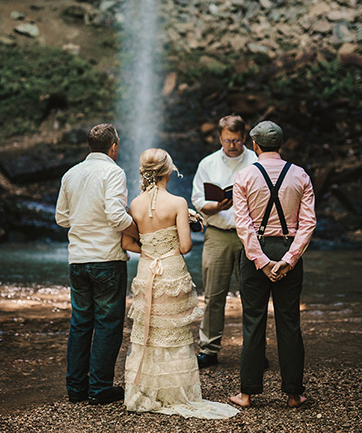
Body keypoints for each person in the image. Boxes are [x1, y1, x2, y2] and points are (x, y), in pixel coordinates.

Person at [121, 148, 238, 419]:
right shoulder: (177, 203)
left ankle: (147, 390)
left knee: (148, 332)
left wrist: (151, 249)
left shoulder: (135, 205)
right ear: (168, 172)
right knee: (172, 332)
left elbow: (128, 242)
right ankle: (175, 391)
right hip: (171, 271)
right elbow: (185, 245)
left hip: (148, 269)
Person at [228, 121, 316, 409]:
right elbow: (308, 224)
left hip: (257, 254)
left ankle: (247, 393)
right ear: (280, 145)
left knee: (253, 322)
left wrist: (262, 261)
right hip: (289, 249)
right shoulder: (300, 175)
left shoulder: (244, 176)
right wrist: (290, 259)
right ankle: (293, 394)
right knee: (289, 323)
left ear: (254, 145)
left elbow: (244, 226)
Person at [55, 123, 139, 405]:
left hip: (77, 260)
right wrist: (139, 232)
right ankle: (100, 388)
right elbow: (116, 217)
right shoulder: (113, 172)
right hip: (106, 259)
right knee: (107, 324)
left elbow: (61, 219)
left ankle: (76, 388)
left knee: (80, 324)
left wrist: (85, 221)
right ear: (113, 146)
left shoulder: (71, 174)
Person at [191, 115, 258, 368]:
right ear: (220, 138)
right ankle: (209, 349)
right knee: (214, 294)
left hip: (248, 233)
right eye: (227, 140)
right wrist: (216, 206)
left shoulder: (255, 161)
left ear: (244, 137)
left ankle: (254, 349)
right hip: (217, 233)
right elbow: (197, 200)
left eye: (237, 140)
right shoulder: (207, 164)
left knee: (252, 295)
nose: (232, 145)